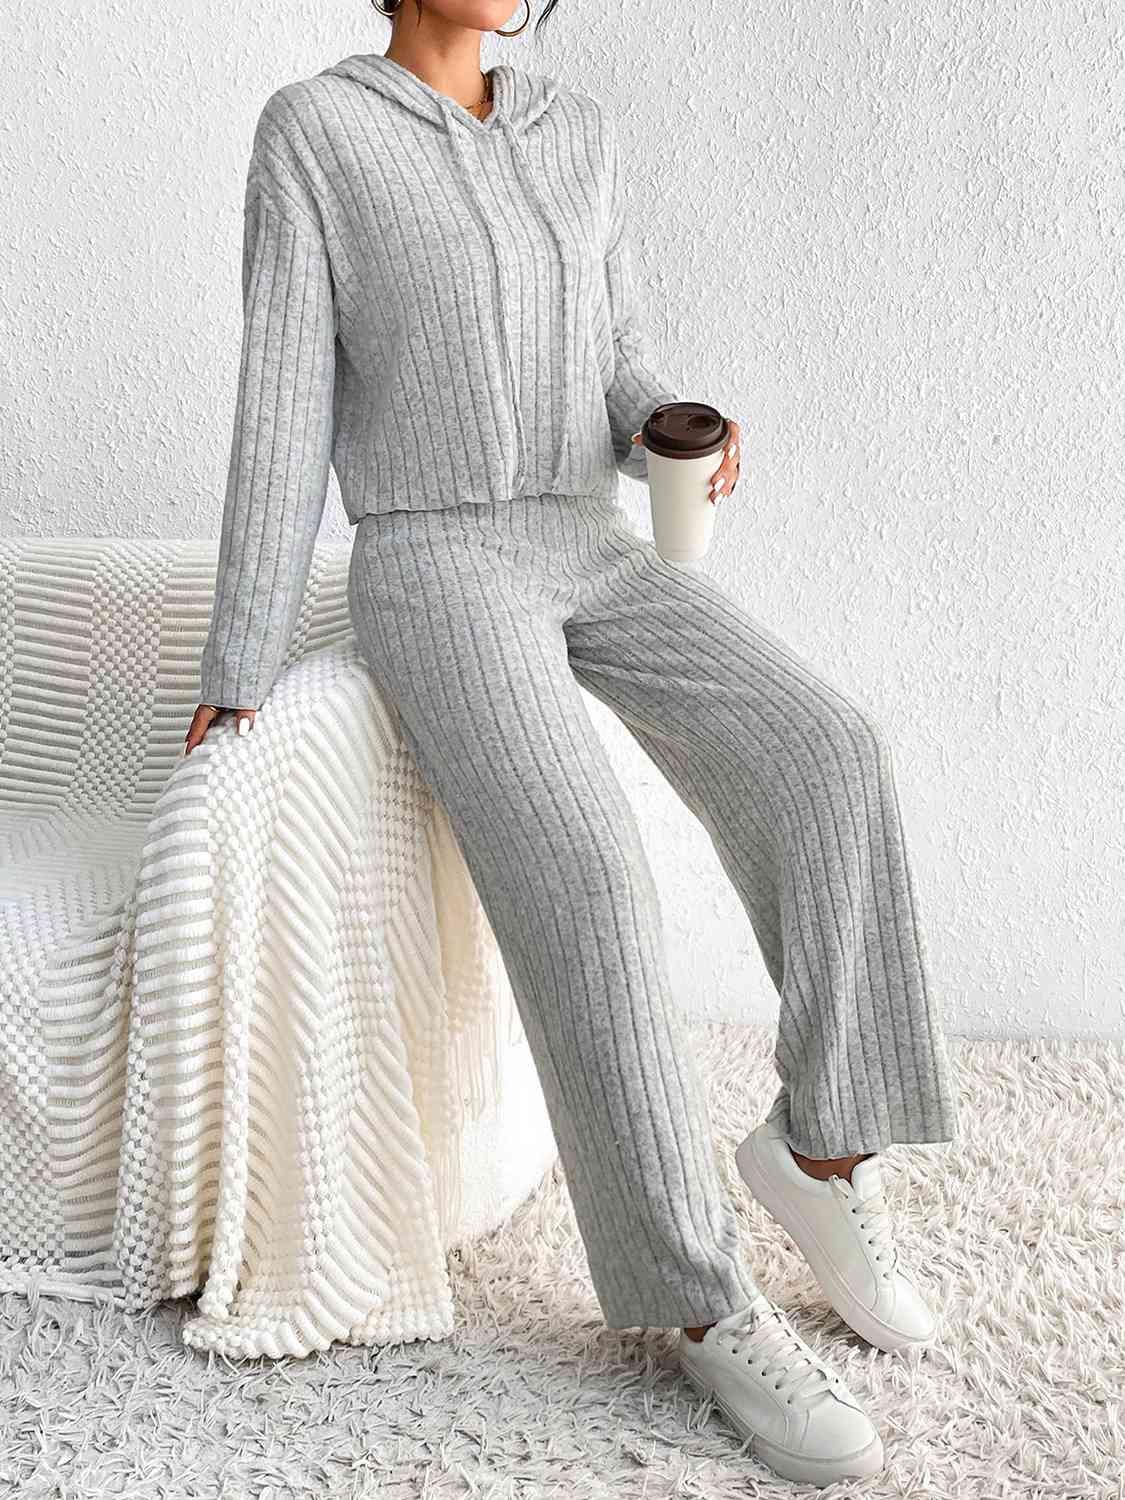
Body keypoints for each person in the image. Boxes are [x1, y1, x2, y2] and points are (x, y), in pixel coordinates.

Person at [187, 1, 959, 1485]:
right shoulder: (319, 133)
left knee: (828, 748)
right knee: (597, 880)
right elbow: (283, 399)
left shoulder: (574, 131)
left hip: (592, 539)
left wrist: (674, 419)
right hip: (433, 558)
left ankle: (819, 1155)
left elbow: (615, 358)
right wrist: (242, 652)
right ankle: (699, 1302)